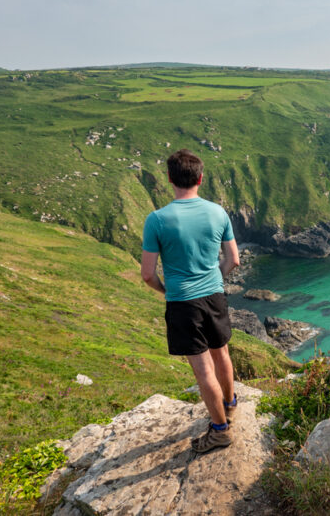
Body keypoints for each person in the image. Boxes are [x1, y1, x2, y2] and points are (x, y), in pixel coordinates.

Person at [140, 149, 240, 453]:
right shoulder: (218, 212)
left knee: (202, 369)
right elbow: (233, 259)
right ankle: (230, 404)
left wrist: (168, 291)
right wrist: (215, 279)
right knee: (221, 354)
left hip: (184, 302)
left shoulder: (156, 220)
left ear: (169, 179)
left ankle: (220, 430)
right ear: (200, 178)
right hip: (214, 295)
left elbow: (147, 274)